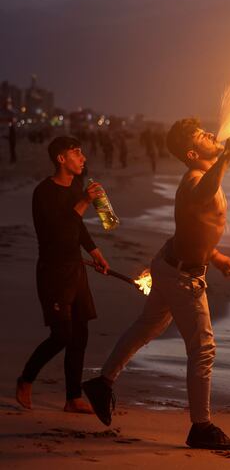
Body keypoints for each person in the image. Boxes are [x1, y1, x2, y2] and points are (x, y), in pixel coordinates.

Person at [82, 118, 230, 451]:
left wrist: (215, 257)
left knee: (147, 326)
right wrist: (227, 158)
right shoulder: (194, 180)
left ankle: (102, 382)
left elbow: (194, 226)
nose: (211, 135)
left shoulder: (203, 177)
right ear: (191, 152)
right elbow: (202, 197)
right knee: (203, 349)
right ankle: (200, 427)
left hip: (172, 265)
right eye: (202, 136)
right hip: (182, 276)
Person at [16, 136, 110, 413]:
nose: (83, 158)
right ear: (61, 159)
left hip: (76, 268)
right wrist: (83, 202)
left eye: (82, 153)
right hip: (53, 271)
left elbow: (77, 228)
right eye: (76, 153)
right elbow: (57, 232)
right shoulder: (44, 192)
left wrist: (95, 252)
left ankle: (73, 397)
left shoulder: (77, 186)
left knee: (80, 334)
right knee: (62, 335)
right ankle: (26, 378)